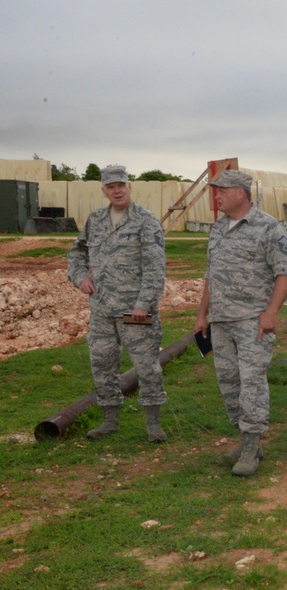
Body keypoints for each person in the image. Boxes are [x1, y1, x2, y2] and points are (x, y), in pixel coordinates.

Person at [195, 170, 287, 478]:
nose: (217, 196)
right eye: (216, 191)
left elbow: (285, 272)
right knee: (229, 383)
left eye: (221, 190)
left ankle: (251, 448)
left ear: (240, 193)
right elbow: (211, 274)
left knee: (251, 383)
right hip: (221, 321)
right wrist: (202, 314)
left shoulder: (268, 227)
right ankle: (245, 439)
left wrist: (271, 313)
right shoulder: (219, 227)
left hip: (253, 320)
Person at [68, 164, 168, 442]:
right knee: (102, 366)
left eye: (121, 185)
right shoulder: (95, 220)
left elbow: (155, 268)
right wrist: (79, 278)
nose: (117, 190)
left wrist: (143, 305)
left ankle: (153, 423)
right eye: (111, 186)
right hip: (101, 311)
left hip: (134, 311)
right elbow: (76, 253)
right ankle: (110, 420)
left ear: (130, 186)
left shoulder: (146, 221)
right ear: (104, 190)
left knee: (147, 366)